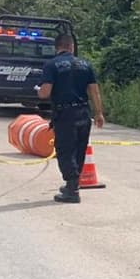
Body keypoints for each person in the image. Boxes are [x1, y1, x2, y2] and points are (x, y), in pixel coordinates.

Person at [37, 31, 104, 204]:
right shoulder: (85, 64)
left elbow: (45, 93)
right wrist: (99, 113)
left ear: (57, 47)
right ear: (71, 47)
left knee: (65, 150)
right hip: (83, 113)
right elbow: (94, 91)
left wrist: (38, 90)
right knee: (79, 149)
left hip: (65, 114)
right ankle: (72, 184)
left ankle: (72, 190)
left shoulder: (51, 65)